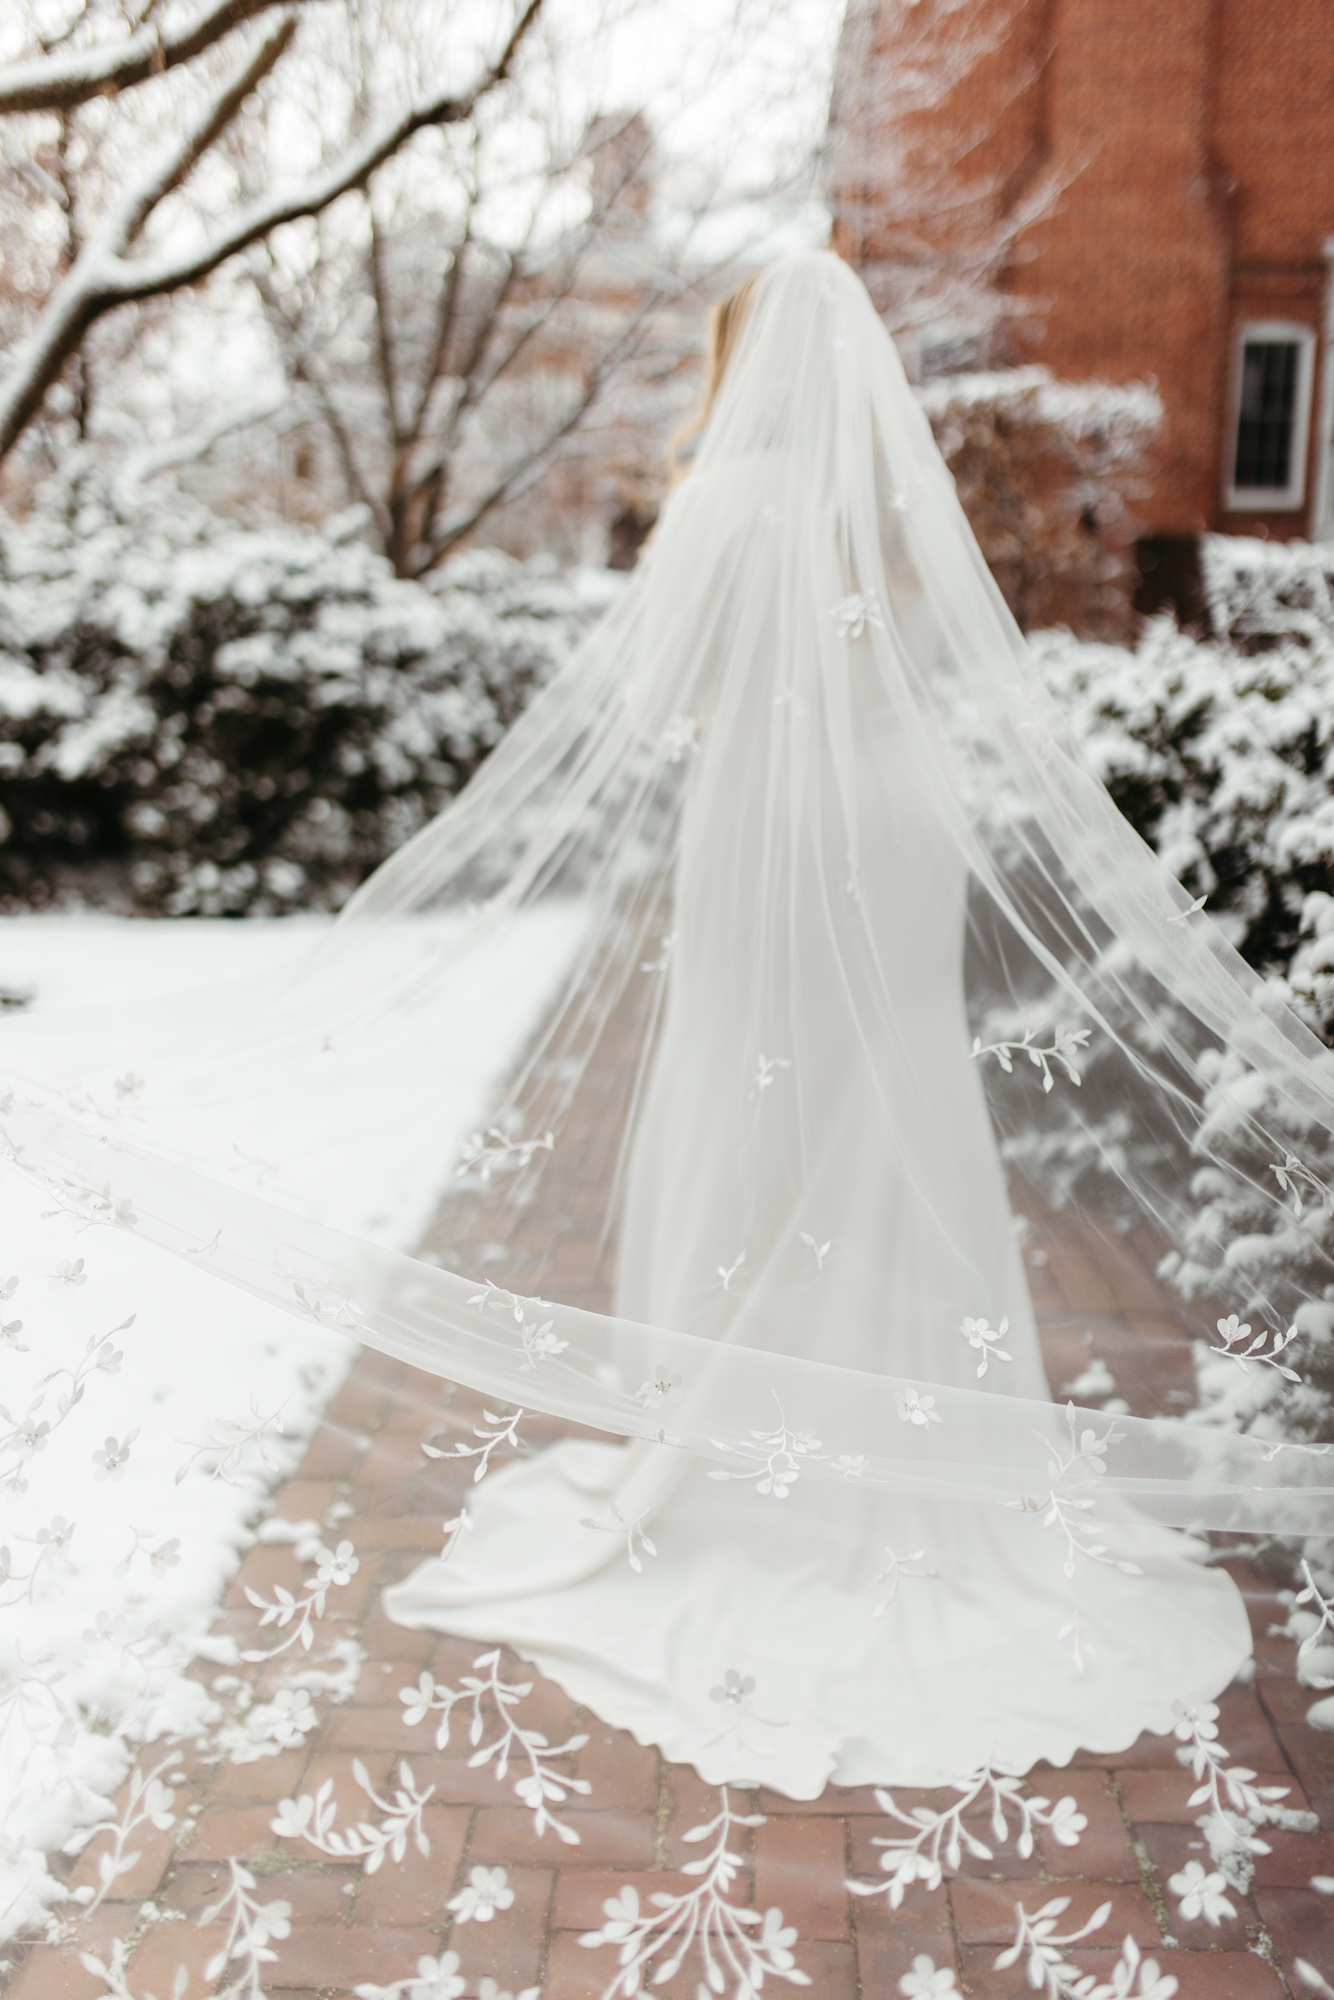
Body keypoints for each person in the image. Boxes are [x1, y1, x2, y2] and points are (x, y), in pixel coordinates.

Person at [381, 255, 1254, 1795]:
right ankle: (920, 1436)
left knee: (753, 1101)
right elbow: (917, 669)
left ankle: (736, 1454)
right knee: (891, 1101)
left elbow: (658, 697)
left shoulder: (728, 497)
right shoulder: (887, 494)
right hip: (893, 825)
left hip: (773, 833)